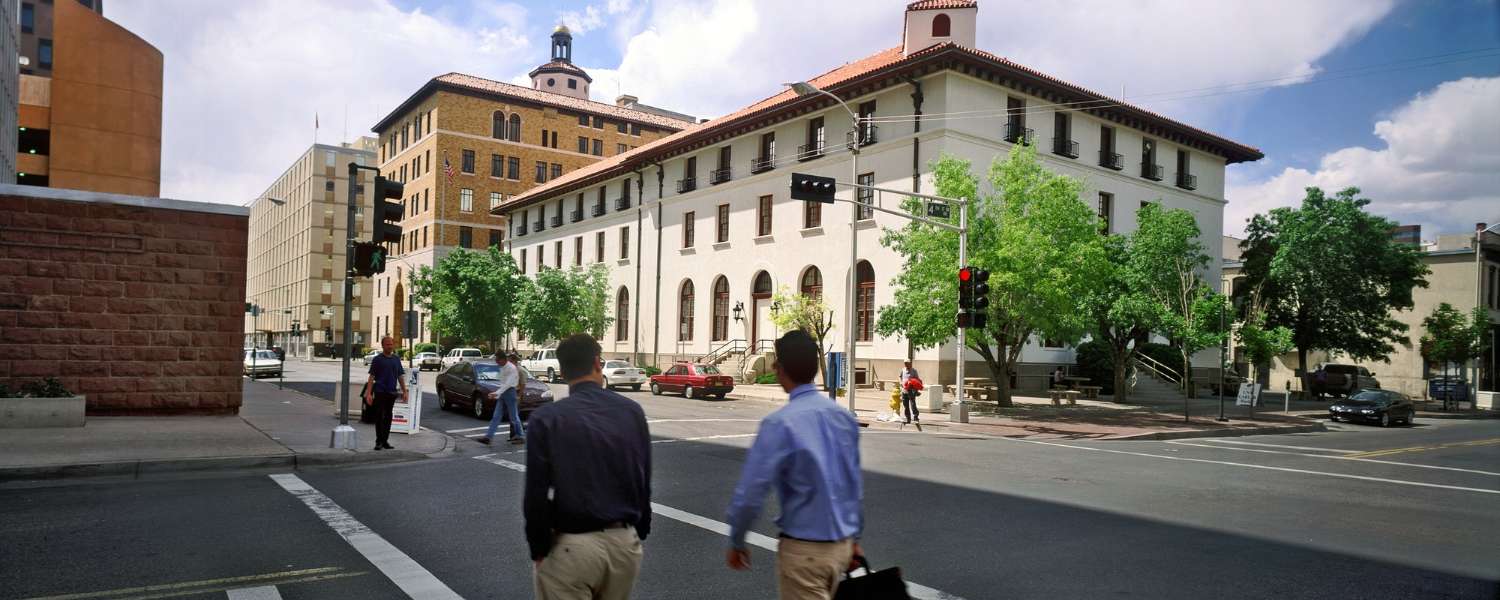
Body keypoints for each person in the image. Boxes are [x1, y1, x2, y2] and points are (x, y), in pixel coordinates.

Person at [725, 330, 863, 600]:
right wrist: (854, 539)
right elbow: (852, 486)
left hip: (804, 555)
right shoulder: (844, 418)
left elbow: (751, 493)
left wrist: (737, 540)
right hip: (842, 548)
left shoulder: (779, 423)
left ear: (780, 368)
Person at [525, 334, 652, 600]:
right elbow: (643, 477)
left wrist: (539, 548)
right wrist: (639, 529)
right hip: (623, 544)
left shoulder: (546, 418)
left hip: (572, 545)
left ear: (562, 371)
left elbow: (536, 494)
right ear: (597, 363)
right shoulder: (631, 411)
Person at [362, 336, 407, 451]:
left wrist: (404, 391)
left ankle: (385, 441)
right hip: (380, 392)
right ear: (382, 346)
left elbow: (400, 376)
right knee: (379, 416)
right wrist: (368, 393)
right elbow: (371, 377)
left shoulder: (396, 359)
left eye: (391, 344)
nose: (390, 346)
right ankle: (379, 441)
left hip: (392, 392)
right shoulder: (377, 359)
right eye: (387, 344)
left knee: (388, 417)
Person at [476, 350, 522, 446]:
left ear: (503, 359)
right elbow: (503, 384)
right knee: (496, 416)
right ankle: (488, 437)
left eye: (497, 360)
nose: (496, 362)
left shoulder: (511, 368)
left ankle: (520, 436)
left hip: (510, 392)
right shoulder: (503, 367)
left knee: (513, 417)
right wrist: (497, 394)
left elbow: (508, 384)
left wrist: (497, 393)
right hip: (504, 392)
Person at [898, 359, 921, 425]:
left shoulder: (914, 371)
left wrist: (916, 390)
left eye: (907, 363)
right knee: (906, 406)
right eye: (905, 363)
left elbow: (917, 380)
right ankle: (908, 418)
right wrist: (901, 382)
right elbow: (900, 377)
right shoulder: (903, 370)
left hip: (911, 390)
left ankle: (916, 417)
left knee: (913, 404)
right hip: (904, 390)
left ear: (910, 363)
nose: (906, 364)